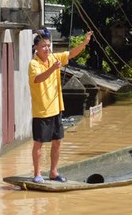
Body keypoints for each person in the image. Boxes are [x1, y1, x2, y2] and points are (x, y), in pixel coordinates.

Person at [28, 28, 93, 183]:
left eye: (49, 45)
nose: (47, 49)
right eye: (43, 46)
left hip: (56, 108)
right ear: (36, 48)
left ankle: (53, 172)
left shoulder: (53, 58)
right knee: (39, 143)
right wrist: (52, 69)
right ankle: (37, 174)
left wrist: (84, 43)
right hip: (42, 111)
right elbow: (38, 79)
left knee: (57, 141)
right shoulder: (33, 64)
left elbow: (70, 54)